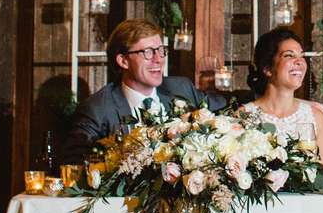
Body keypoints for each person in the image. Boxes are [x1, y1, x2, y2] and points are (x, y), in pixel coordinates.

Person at [58, 18, 229, 167]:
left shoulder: (181, 89)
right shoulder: (98, 109)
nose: (159, 59)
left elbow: (226, 107)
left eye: (161, 50)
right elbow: (73, 164)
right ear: (123, 60)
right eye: (148, 52)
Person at [244, 27, 323, 165]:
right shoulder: (244, 116)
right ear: (267, 68)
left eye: (301, 56)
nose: (300, 62)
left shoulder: (316, 117)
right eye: (289, 55)